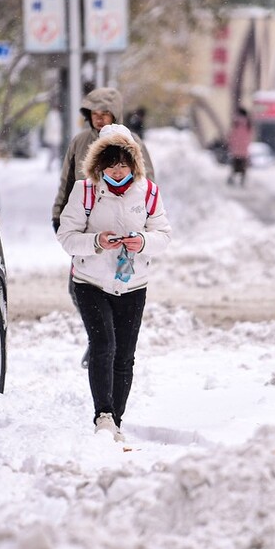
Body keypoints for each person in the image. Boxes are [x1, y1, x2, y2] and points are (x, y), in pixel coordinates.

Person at [56, 124, 171, 441]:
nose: (117, 170)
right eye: (110, 163)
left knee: (124, 354)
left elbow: (164, 235)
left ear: (133, 163)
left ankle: (116, 420)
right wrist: (96, 242)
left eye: (123, 163)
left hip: (134, 284)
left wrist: (143, 242)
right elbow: (66, 237)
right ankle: (103, 416)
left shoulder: (148, 192)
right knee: (103, 345)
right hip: (91, 282)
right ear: (98, 164)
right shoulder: (86, 191)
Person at [52, 87, 155, 367]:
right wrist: (58, 215)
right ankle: (99, 341)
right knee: (80, 287)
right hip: (87, 231)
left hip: (126, 235)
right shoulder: (80, 142)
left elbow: (148, 185)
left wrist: (144, 229)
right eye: (94, 114)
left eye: (105, 114)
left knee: (123, 289)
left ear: (115, 114)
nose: (99, 120)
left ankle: (111, 346)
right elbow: (67, 181)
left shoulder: (133, 144)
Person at [226, 107, 253, 186]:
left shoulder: (236, 123)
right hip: (244, 149)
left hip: (236, 148)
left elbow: (231, 135)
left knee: (235, 165)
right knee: (243, 166)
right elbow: (249, 136)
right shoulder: (248, 124)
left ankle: (232, 178)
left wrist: (230, 144)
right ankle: (242, 180)